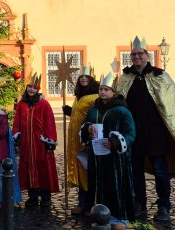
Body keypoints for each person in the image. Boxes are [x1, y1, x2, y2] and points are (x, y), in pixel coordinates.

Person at [116, 36, 175, 222]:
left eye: (140, 54)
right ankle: (139, 203)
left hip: (156, 133)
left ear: (147, 56)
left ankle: (164, 204)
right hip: (133, 134)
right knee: (135, 171)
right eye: (133, 55)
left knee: (160, 171)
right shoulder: (125, 78)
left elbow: (171, 106)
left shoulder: (160, 76)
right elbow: (118, 104)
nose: (137, 57)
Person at [80, 73, 136, 229]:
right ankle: (100, 215)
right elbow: (85, 125)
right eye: (101, 89)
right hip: (96, 157)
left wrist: (115, 142)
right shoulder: (94, 110)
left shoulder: (122, 111)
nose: (103, 92)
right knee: (98, 186)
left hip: (115, 159)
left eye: (106, 89)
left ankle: (119, 217)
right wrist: (87, 129)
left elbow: (130, 133)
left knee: (115, 185)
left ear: (114, 92)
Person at [12, 74, 59, 212]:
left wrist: (50, 139)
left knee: (43, 169)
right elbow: (17, 121)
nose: (31, 90)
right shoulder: (21, 104)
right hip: (27, 143)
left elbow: (50, 122)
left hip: (40, 144)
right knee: (28, 169)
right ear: (26, 88)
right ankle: (32, 197)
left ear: (37, 89)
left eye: (34, 87)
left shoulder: (44, 103)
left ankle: (45, 197)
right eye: (29, 87)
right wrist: (17, 134)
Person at [63, 72, 100, 216]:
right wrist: (70, 112)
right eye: (81, 77)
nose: (83, 79)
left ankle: (91, 204)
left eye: (86, 77)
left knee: (88, 171)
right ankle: (82, 203)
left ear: (91, 80)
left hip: (87, 139)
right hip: (75, 141)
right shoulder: (78, 96)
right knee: (80, 170)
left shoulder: (95, 96)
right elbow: (80, 114)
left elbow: (92, 116)